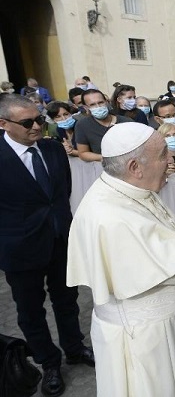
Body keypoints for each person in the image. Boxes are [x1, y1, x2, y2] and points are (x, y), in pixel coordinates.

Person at [67, 122, 175, 396]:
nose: (170, 161)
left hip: (169, 329)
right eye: (163, 155)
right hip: (152, 342)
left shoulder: (127, 190)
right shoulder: (112, 215)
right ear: (135, 168)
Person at [0, 94, 94, 396]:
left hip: (60, 241)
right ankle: (49, 362)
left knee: (67, 301)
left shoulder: (53, 149)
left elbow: (60, 194)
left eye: (40, 119)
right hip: (20, 250)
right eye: (28, 122)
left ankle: (75, 348)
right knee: (31, 311)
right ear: (4, 124)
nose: (38, 126)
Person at [75, 89, 135, 161]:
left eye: (100, 102)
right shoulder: (83, 125)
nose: (98, 107)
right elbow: (83, 153)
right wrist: (107, 158)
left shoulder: (126, 121)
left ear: (106, 102)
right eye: (92, 104)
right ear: (86, 107)